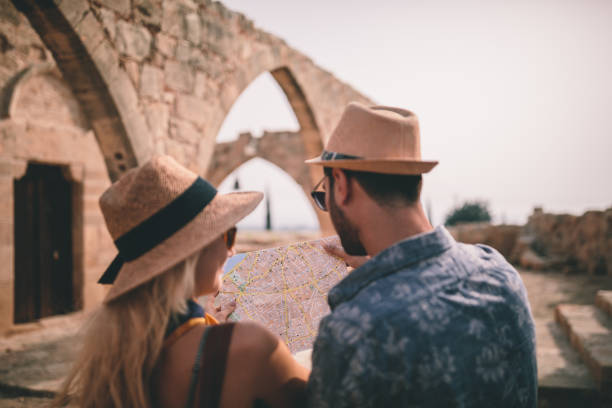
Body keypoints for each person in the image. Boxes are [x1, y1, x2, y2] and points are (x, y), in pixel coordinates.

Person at [304, 102, 537, 407]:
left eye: (324, 195)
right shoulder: (501, 274)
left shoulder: (355, 334)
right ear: (415, 180)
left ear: (342, 185)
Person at [53, 155, 309, 408]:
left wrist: (209, 330)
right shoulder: (252, 347)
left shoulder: (114, 358)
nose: (232, 251)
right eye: (228, 235)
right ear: (195, 249)